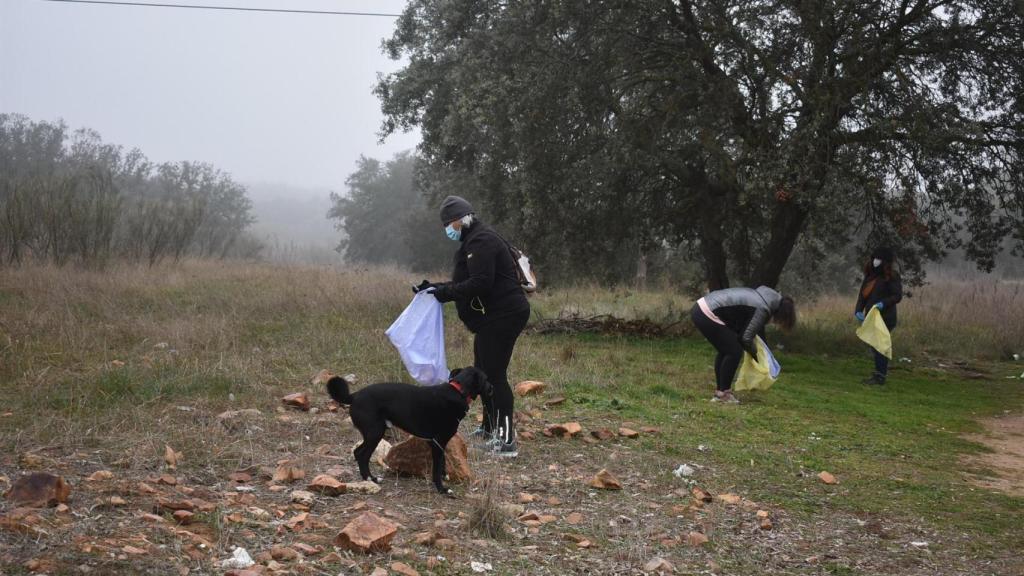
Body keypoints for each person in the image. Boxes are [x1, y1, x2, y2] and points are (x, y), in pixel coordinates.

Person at [419, 195, 530, 457]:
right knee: (483, 372)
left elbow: (481, 283)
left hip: (503, 315)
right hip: (492, 317)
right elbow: (468, 279)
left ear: (459, 221)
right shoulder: (474, 239)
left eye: (449, 224)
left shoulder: (481, 241)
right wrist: (437, 287)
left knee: (495, 377)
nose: (447, 229)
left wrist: (445, 294)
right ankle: (489, 429)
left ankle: (505, 442)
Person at [690, 286, 796, 403]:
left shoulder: (759, 297)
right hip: (707, 312)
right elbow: (745, 338)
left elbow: (749, 330)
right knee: (733, 351)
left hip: (700, 308)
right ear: (781, 313)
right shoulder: (762, 307)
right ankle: (724, 394)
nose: (775, 322)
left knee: (726, 350)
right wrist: (756, 356)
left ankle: (720, 393)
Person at [854, 246, 903, 385]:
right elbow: (862, 295)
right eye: (874, 258)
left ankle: (880, 375)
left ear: (885, 262)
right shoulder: (870, 275)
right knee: (874, 346)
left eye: (879, 259)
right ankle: (878, 373)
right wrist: (858, 309)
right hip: (871, 317)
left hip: (885, 318)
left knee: (880, 346)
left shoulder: (892, 277)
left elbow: (897, 296)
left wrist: (883, 303)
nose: (875, 261)